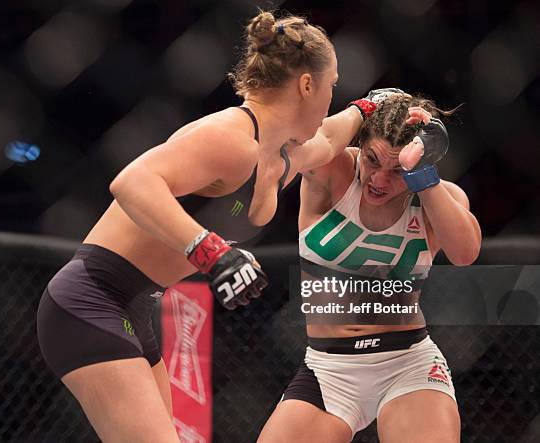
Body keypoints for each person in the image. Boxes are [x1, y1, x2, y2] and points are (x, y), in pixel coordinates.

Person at [36, 10, 368, 443]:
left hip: (134, 307)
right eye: (333, 86)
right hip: (91, 300)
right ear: (307, 85)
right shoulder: (231, 135)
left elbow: (329, 138)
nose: (332, 97)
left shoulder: (277, 157)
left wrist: (372, 105)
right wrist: (212, 250)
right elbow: (132, 181)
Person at [258, 93, 481, 442]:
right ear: (361, 144)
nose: (379, 179)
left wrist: (423, 177)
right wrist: (360, 111)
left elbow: (465, 252)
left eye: (397, 171)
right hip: (328, 369)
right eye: (373, 159)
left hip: (407, 363)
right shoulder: (333, 170)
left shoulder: (437, 196)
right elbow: (289, 145)